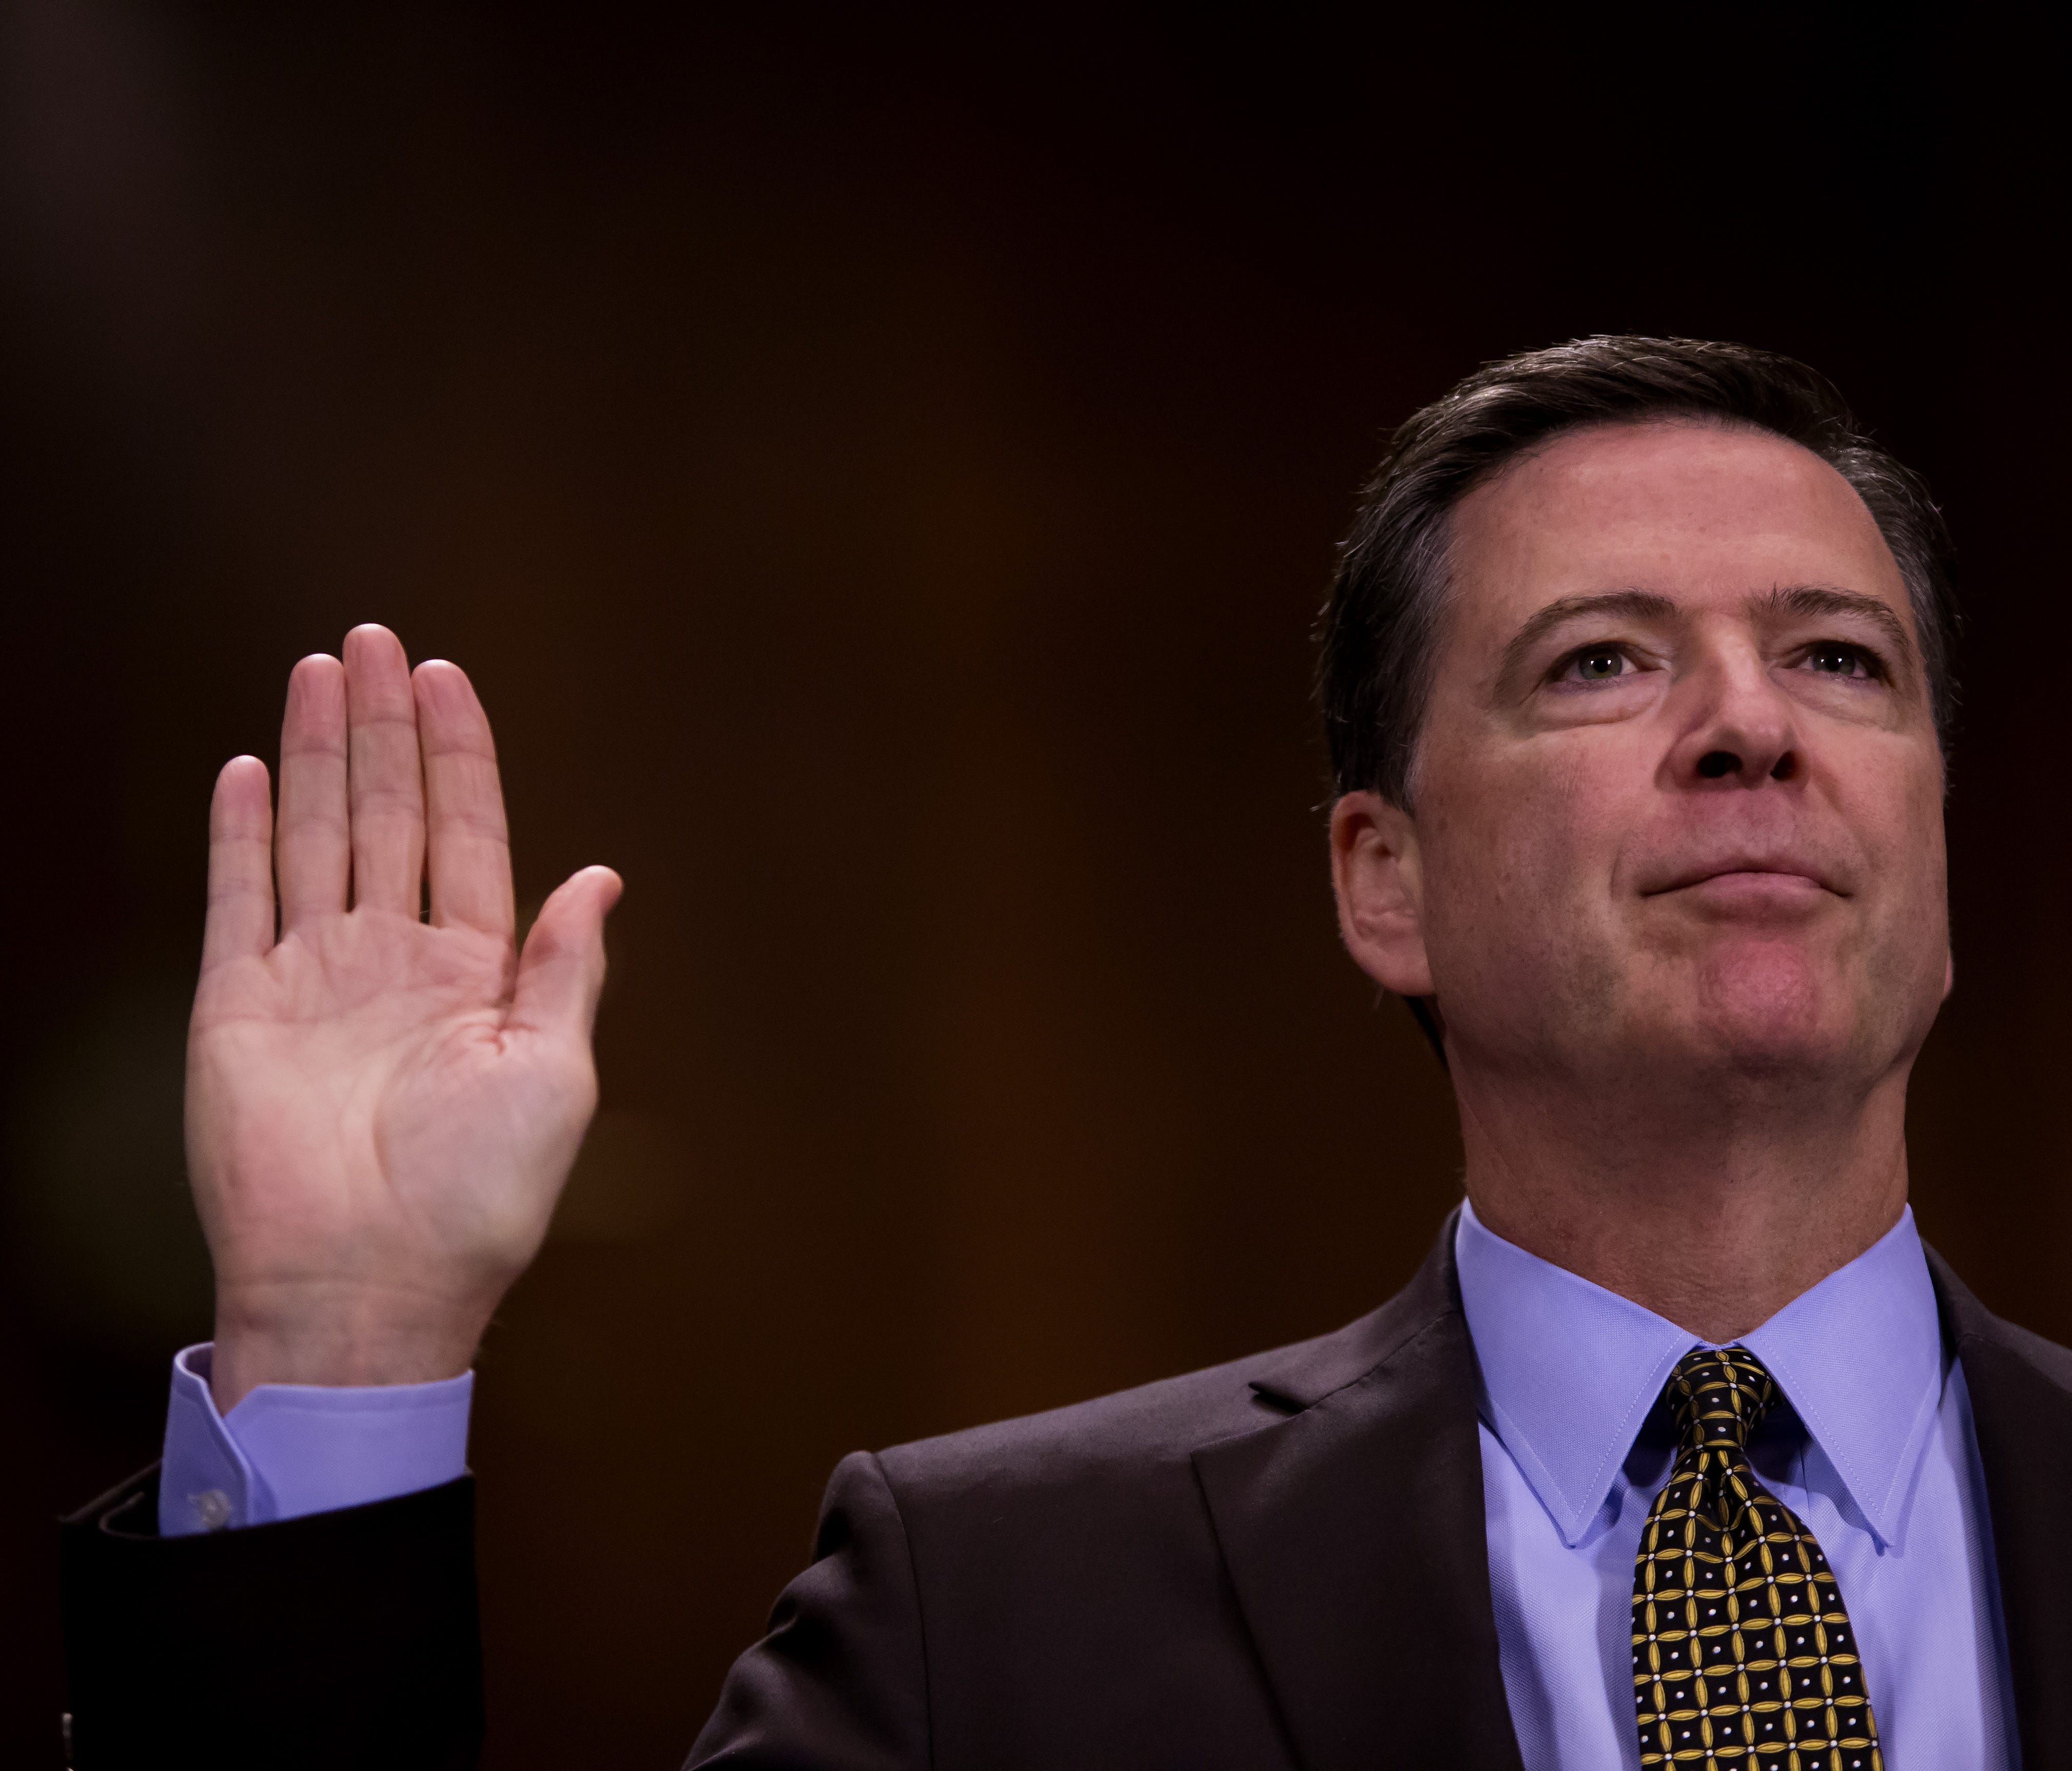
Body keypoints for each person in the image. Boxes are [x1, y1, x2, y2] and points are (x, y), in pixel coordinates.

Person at [58, 336, 2072, 1771]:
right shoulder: (989, 1616)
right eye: (1604, 662)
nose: (1753, 728)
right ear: (1386, 882)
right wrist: (339, 1348)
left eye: (1838, 657)